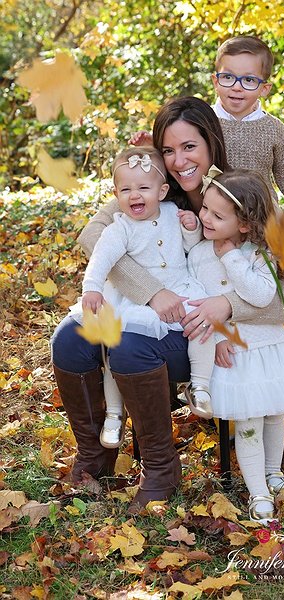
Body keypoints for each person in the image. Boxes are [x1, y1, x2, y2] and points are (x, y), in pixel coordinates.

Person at [51, 97, 284, 509]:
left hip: (209, 337)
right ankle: (95, 457)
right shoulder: (152, 184)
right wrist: (151, 291)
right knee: (69, 340)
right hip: (152, 310)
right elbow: (94, 235)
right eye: (168, 150)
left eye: (189, 147)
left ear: (212, 143)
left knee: (130, 345)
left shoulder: (240, 195)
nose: (178, 161)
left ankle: (160, 468)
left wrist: (228, 306)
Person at [68, 146, 215, 449]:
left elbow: (192, 248)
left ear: (162, 192)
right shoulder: (119, 228)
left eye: (143, 188)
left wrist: (191, 229)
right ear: (116, 194)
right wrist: (91, 288)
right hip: (137, 300)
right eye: (126, 190)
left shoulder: (173, 213)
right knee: (116, 347)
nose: (135, 195)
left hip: (180, 287)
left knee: (202, 324)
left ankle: (199, 386)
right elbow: (100, 258)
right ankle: (114, 412)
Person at [188, 165, 284, 524]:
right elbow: (196, 301)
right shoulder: (198, 256)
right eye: (205, 208)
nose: (205, 218)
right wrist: (216, 337)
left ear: (244, 224)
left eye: (217, 215)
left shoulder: (261, 253)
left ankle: (273, 469)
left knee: (274, 413)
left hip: (270, 347)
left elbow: (261, 295)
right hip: (236, 354)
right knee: (248, 422)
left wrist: (231, 257)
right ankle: (258, 491)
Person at [131, 36, 284, 240]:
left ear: (264, 89)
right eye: (228, 77)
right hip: (212, 218)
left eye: (249, 80)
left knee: (275, 258)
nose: (237, 87)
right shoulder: (203, 121)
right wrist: (152, 147)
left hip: (259, 220)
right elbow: (178, 150)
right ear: (215, 81)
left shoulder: (274, 130)